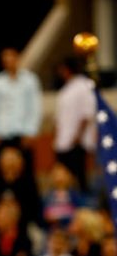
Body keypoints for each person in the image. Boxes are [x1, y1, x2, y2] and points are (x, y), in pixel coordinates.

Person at [0, 47, 42, 176]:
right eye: (5, 59)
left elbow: (34, 107)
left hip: (23, 134)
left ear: (17, 59)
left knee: (26, 173)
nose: (9, 61)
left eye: (11, 58)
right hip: (2, 135)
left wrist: (31, 131)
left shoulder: (30, 80)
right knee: (2, 173)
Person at [53, 57, 97, 192]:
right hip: (64, 140)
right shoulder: (66, 88)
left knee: (79, 177)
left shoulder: (84, 86)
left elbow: (87, 113)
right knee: (64, 176)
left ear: (68, 70)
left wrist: (77, 136)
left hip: (77, 141)